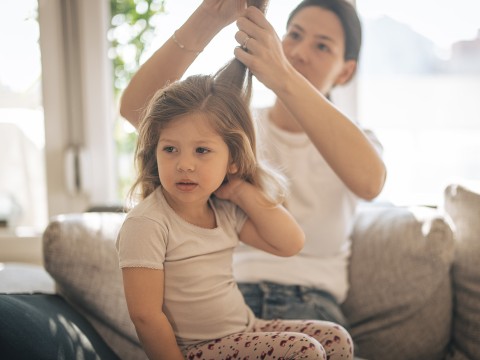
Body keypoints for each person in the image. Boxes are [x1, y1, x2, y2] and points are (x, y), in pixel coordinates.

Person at [119, 0, 386, 338]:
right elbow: (136, 109)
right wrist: (209, 18)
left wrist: (284, 76)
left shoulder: (356, 141)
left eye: (322, 46)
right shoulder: (236, 131)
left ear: (345, 71)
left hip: (311, 302)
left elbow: (371, 183)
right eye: (294, 35)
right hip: (228, 297)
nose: (300, 52)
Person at [116, 54, 354, 359]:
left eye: (202, 150)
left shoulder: (224, 211)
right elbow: (145, 316)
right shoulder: (148, 223)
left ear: (232, 160)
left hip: (245, 331)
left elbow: (290, 242)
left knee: (336, 339)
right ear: (155, 153)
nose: (184, 164)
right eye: (170, 149)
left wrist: (241, 190)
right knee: (305, 351)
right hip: (196, 351)